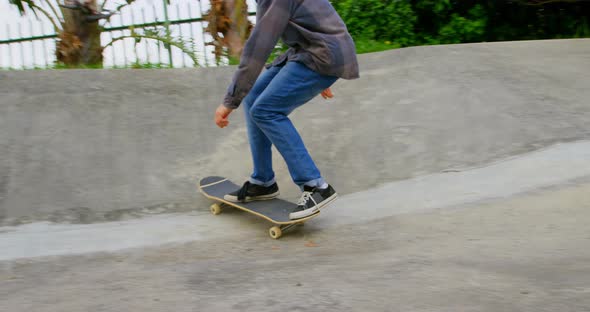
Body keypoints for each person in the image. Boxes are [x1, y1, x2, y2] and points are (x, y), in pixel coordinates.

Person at [214, 0, 359, 220]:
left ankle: (316, 186)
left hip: (321, 55)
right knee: (253, 97)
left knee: (266, 110)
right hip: (310, 53)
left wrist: (229, 101)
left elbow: (258, 48)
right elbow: (315, 22)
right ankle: (263, 182)